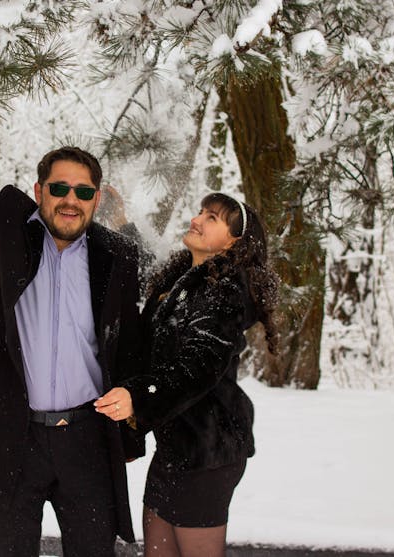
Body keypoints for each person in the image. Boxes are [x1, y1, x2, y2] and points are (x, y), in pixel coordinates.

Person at [0, 53, 142, 557]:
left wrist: (134, 395)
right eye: (59, 188)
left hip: (86, 440)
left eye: (83, 191)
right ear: (39, 191)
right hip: (13, 437)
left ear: (96, 199)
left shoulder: (115, 258)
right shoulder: (3, 232)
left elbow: (137, 336)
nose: (70, 199)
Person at [96, 193, 280, 557]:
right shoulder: (185, 276)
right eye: (200, 211)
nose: (197, 219)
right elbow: (146, 267)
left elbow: (200, 365)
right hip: (175, 448)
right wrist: (121, 222)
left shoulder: (224, 292)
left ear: (234, 241)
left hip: (208, 451)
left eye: (212, 218)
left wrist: (139, 396)